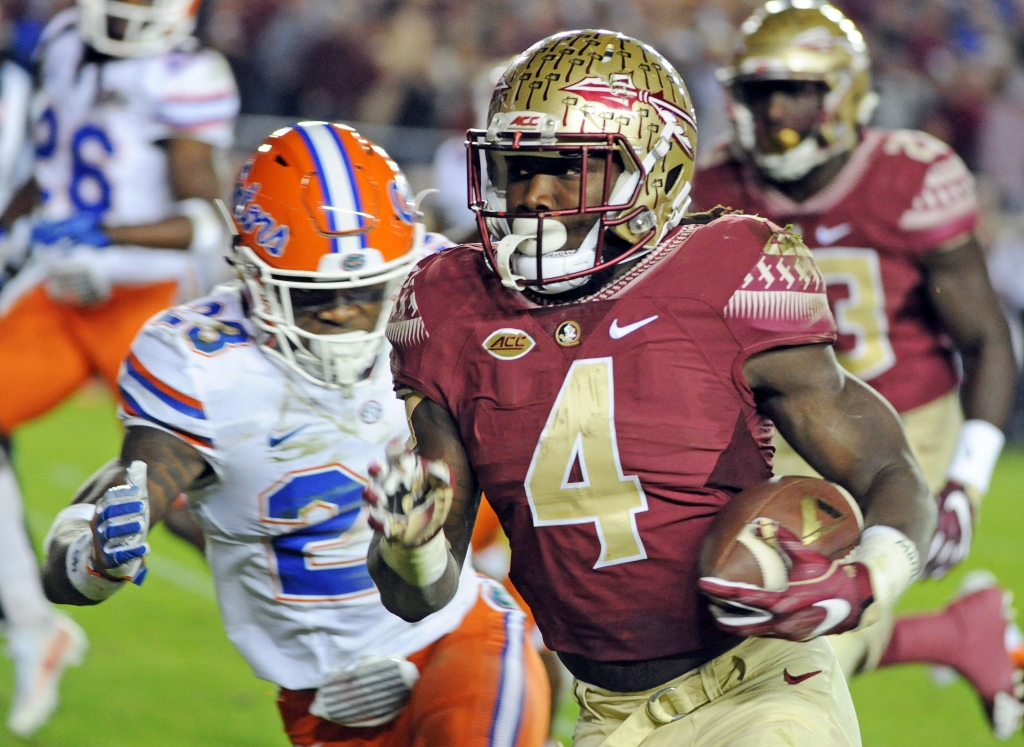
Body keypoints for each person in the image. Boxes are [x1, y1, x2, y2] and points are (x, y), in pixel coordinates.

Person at [363, 28, 935, 747]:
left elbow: (887, 466)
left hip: (762, 687)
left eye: (567, 170)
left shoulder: (729, 275)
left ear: (653, 175)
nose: (534, 195)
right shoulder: (449, 305)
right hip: (607, 713)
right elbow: (419, 594)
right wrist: (410, 546)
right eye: (517, 167)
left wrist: (869, 577)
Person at [39, 121, 550, 747]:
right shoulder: (201, 364)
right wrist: (91, 559)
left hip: (456, 637)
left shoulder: (433, 292)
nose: (344, 311)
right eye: (316, 295)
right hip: (323, 703)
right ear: (253, 278)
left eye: (366, 290)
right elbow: (123, 499)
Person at [690, 1, 1022, 737]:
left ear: (843, 92)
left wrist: (965, 478)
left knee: (810, 633)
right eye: (759, 90)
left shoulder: (909, 178)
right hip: (780, 431)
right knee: (729, 615)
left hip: (907, 427)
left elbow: (988, 340)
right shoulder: (716, 192)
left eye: (798, 90)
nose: (776, 109)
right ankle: (961, 634)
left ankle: (959, 634)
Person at [0, 0, 238, 735]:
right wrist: (14, 220)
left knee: (170, 500)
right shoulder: (68, 39)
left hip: (140, 302)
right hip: (59, 288)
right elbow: (55, 161)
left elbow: (206, 217)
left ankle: (330, 592)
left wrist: (101, 227)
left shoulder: (189, 72)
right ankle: (33, 623)